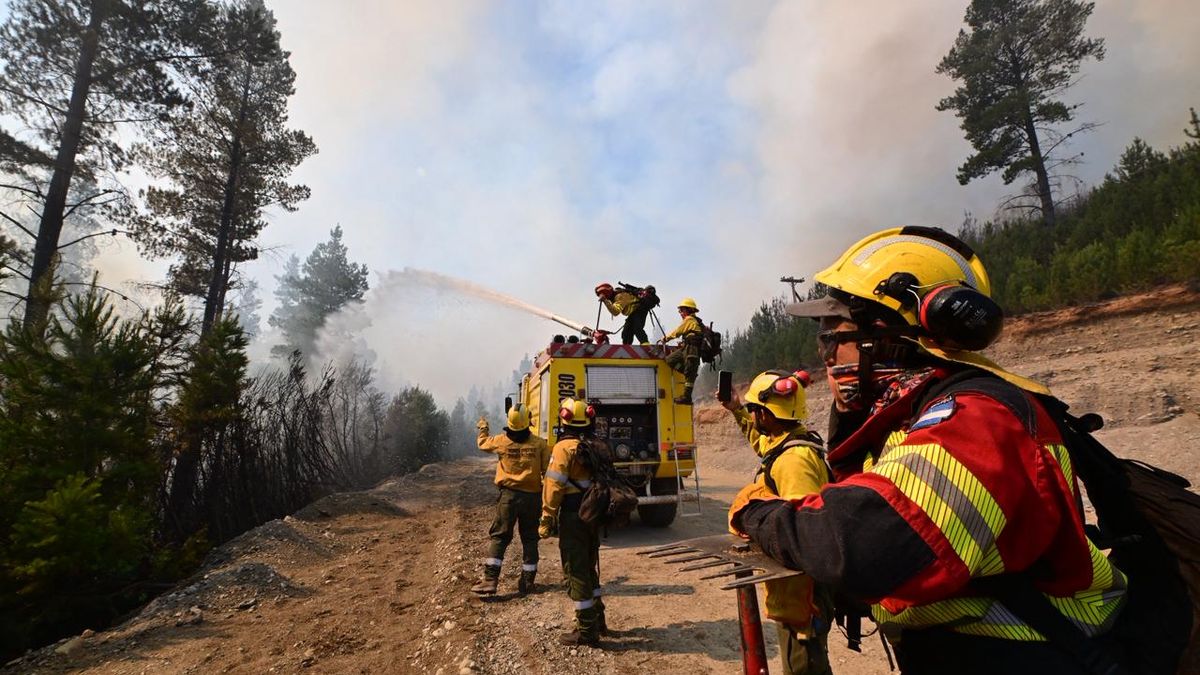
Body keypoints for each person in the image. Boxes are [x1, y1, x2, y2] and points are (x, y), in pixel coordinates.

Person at [728, 226, 1127, 675]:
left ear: (883, 334)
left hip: (1030, 655)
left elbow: (863, 543)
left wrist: (755, 512)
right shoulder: (915, 417)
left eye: (831, 337)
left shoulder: (977, 417)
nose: (824, 355)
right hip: (968, 651)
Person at [723, 370, 834, 675]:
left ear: (767, 414)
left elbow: (804, 532)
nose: (752, 415)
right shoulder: (787, 442)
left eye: (754, 409)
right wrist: (736, 410)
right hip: (796, 592)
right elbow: (763, 444)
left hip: (802, 595)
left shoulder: (794, 461)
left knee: (803, 668)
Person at [539, 398, 607, 646]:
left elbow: (553, 486)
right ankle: (598, 619)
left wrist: (547, 517)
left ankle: (587, 630)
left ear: (564, 419)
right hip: (593, 514)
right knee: (589, 566)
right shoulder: (595, 445)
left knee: (576, 571)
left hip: (573, 515)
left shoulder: (563, 448)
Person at [471, 403, 551, 596]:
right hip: (532, 497)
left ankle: (490, 580)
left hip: (509, 497)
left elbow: (482, 444)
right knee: (530, 538)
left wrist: (483, 427)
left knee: (500, 537)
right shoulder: (540, 444)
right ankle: (528, 582)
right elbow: (547, 472)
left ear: (509, 422)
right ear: (528, 421)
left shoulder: (501, 441)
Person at [661, 297, 703, 404]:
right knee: (669, 360)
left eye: (682, 310)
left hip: (692, 350)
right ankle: (688, 373)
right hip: (686, 348)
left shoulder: (689, 320)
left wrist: (666, 338)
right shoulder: (693, 322)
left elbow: (677, 331)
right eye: (679, 311)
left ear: (689, 310)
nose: (680, 313)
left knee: (689, 373)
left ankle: (686, 397)